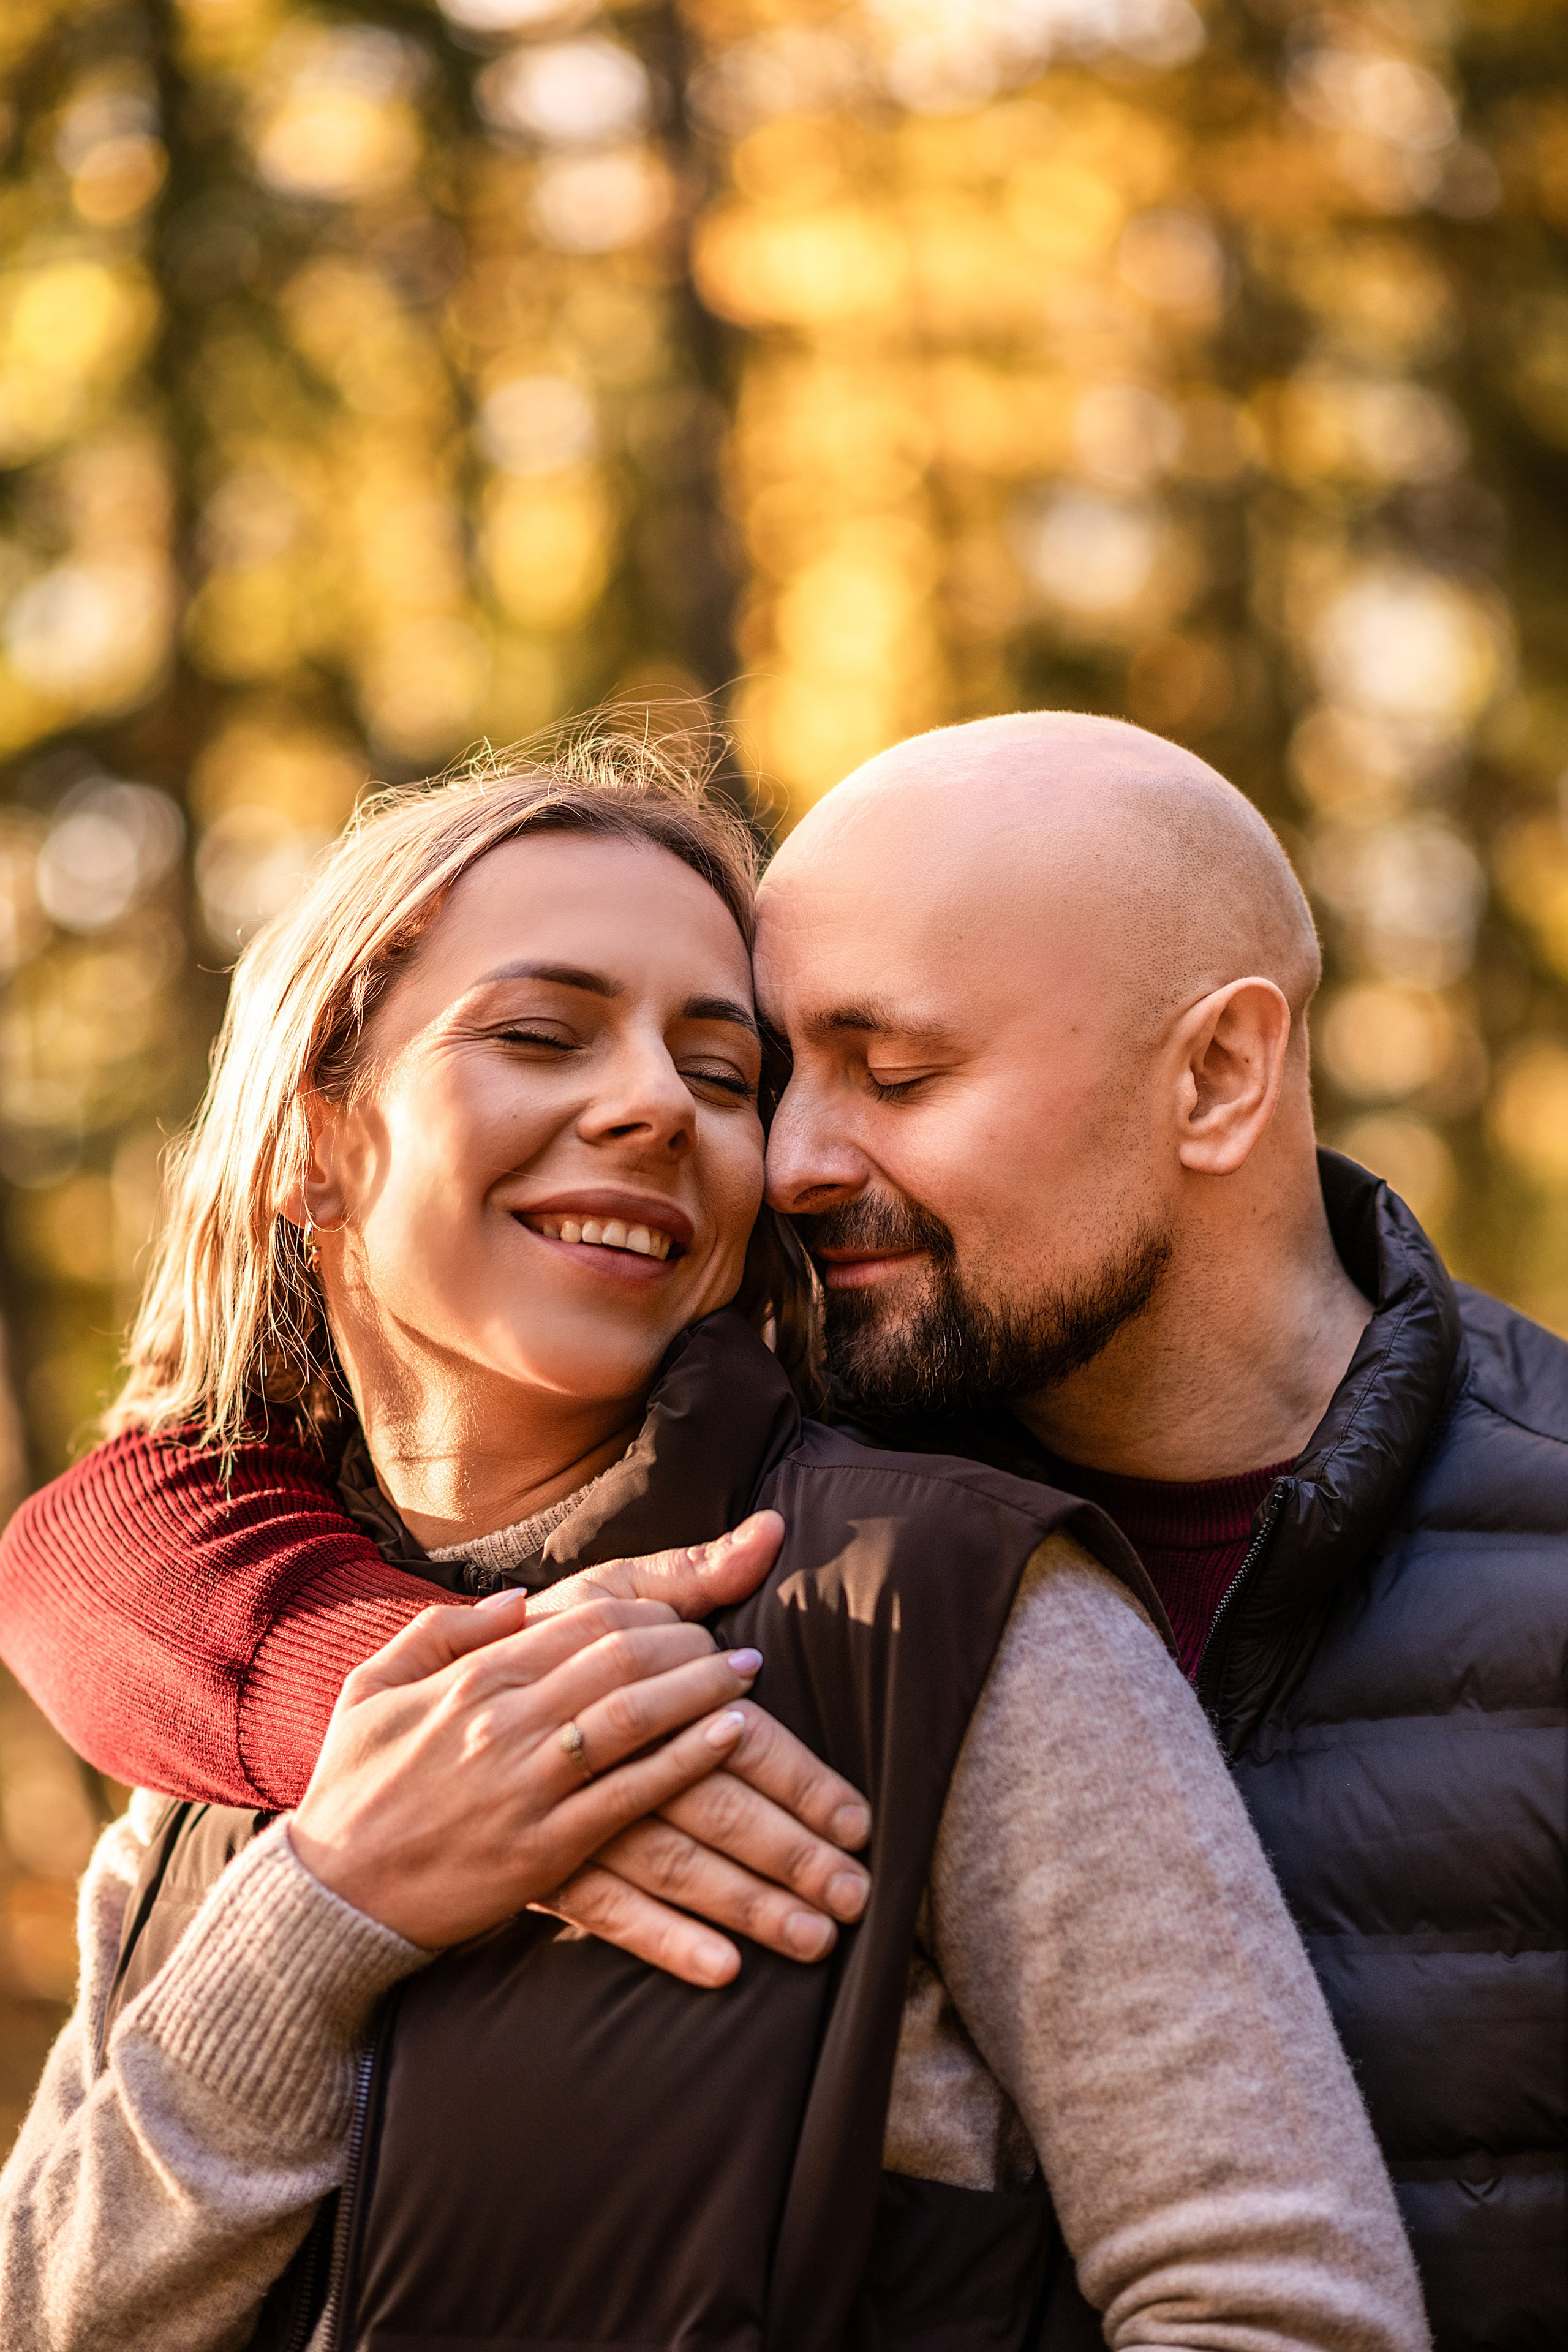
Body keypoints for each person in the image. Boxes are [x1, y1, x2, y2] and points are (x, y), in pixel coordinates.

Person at [2, 712, 1559, 2348]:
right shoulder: (271, 1670)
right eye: (789, 1080)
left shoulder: (947, 1594)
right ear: (309, 1134)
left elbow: (1269, 2297)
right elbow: (95, 1541)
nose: (787, 1156)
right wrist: (371, 1807)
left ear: (1218, 1074)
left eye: (873, 1075)